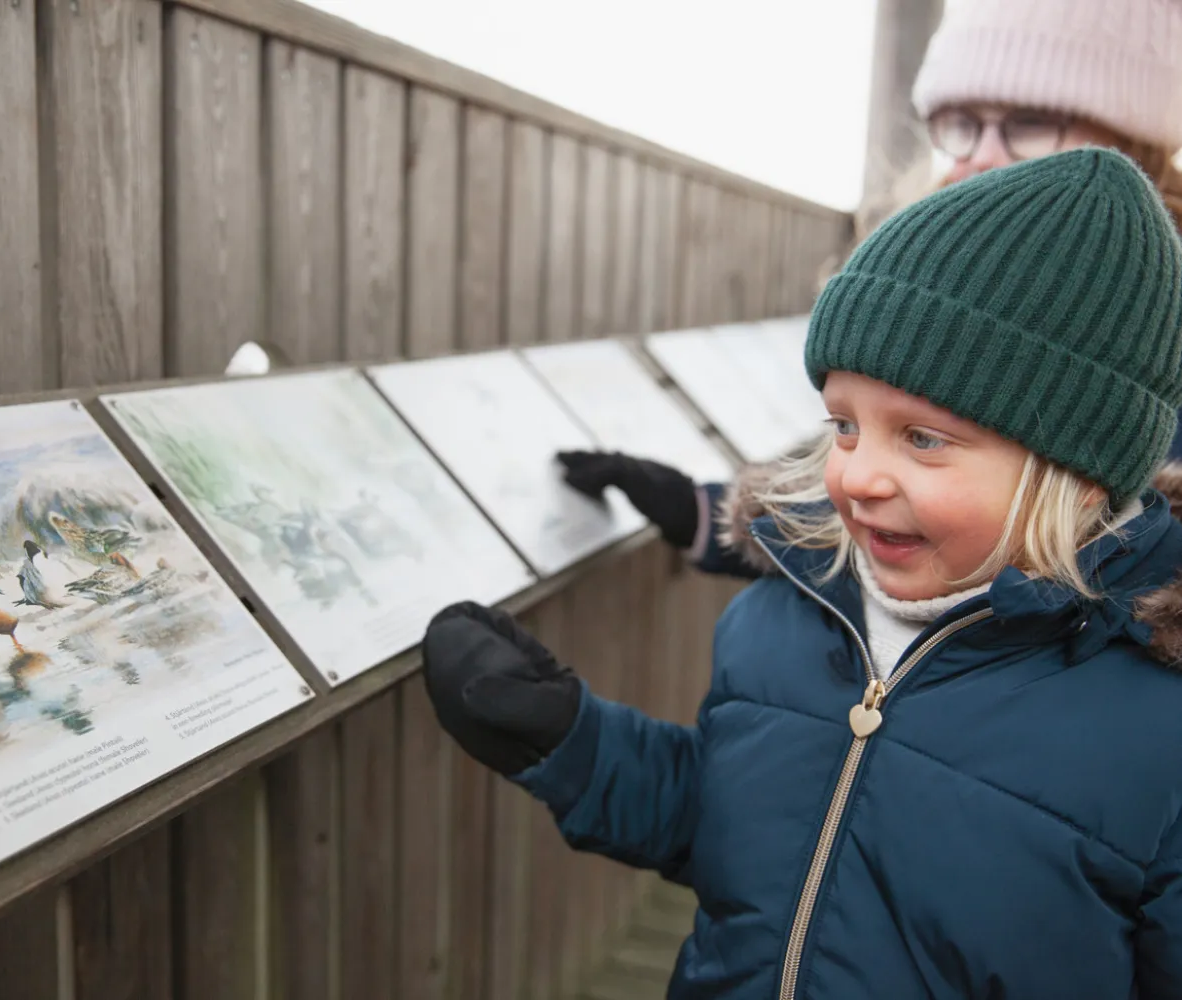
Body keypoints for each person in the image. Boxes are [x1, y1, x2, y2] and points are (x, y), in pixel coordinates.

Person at [420, 148, 1182, 997]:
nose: (854, 475)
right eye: (843, 424)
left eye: (921, 437)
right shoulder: (781, 620)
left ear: (1075, 475)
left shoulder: (1156, 734)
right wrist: (572, 742)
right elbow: (736, 833)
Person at [558, 0, 1182, 578]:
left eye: (1033, 122)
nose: (983, 157)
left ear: (1134, 140)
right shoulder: (926, 272)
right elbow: (893, 495)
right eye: (962, 123)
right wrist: (705, 512)